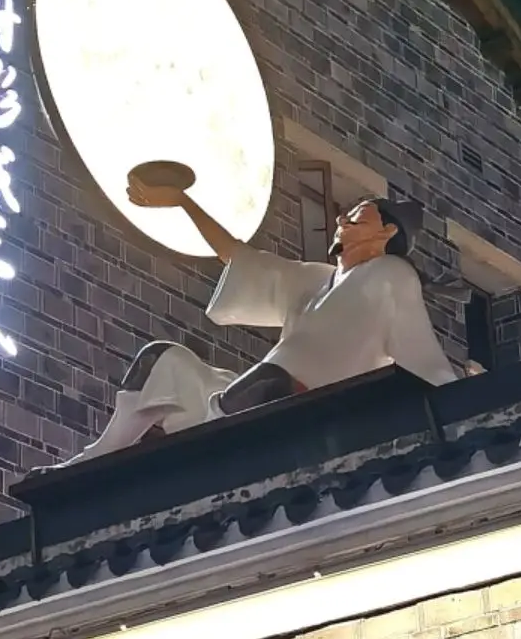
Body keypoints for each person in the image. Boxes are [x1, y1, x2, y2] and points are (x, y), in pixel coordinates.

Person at [63, 172, 459, 465]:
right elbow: (238, 257)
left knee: (270, 380)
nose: (342, 221)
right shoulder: (314, 280)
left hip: (302, 412)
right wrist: (183, 202)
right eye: (345, 217)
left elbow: (422, 355)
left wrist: (462, 404)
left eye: (356, 219)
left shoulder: (392, 275)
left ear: (387, 232)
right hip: (240, 402)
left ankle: (206, 445)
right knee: (162, 359)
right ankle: (99, 456)